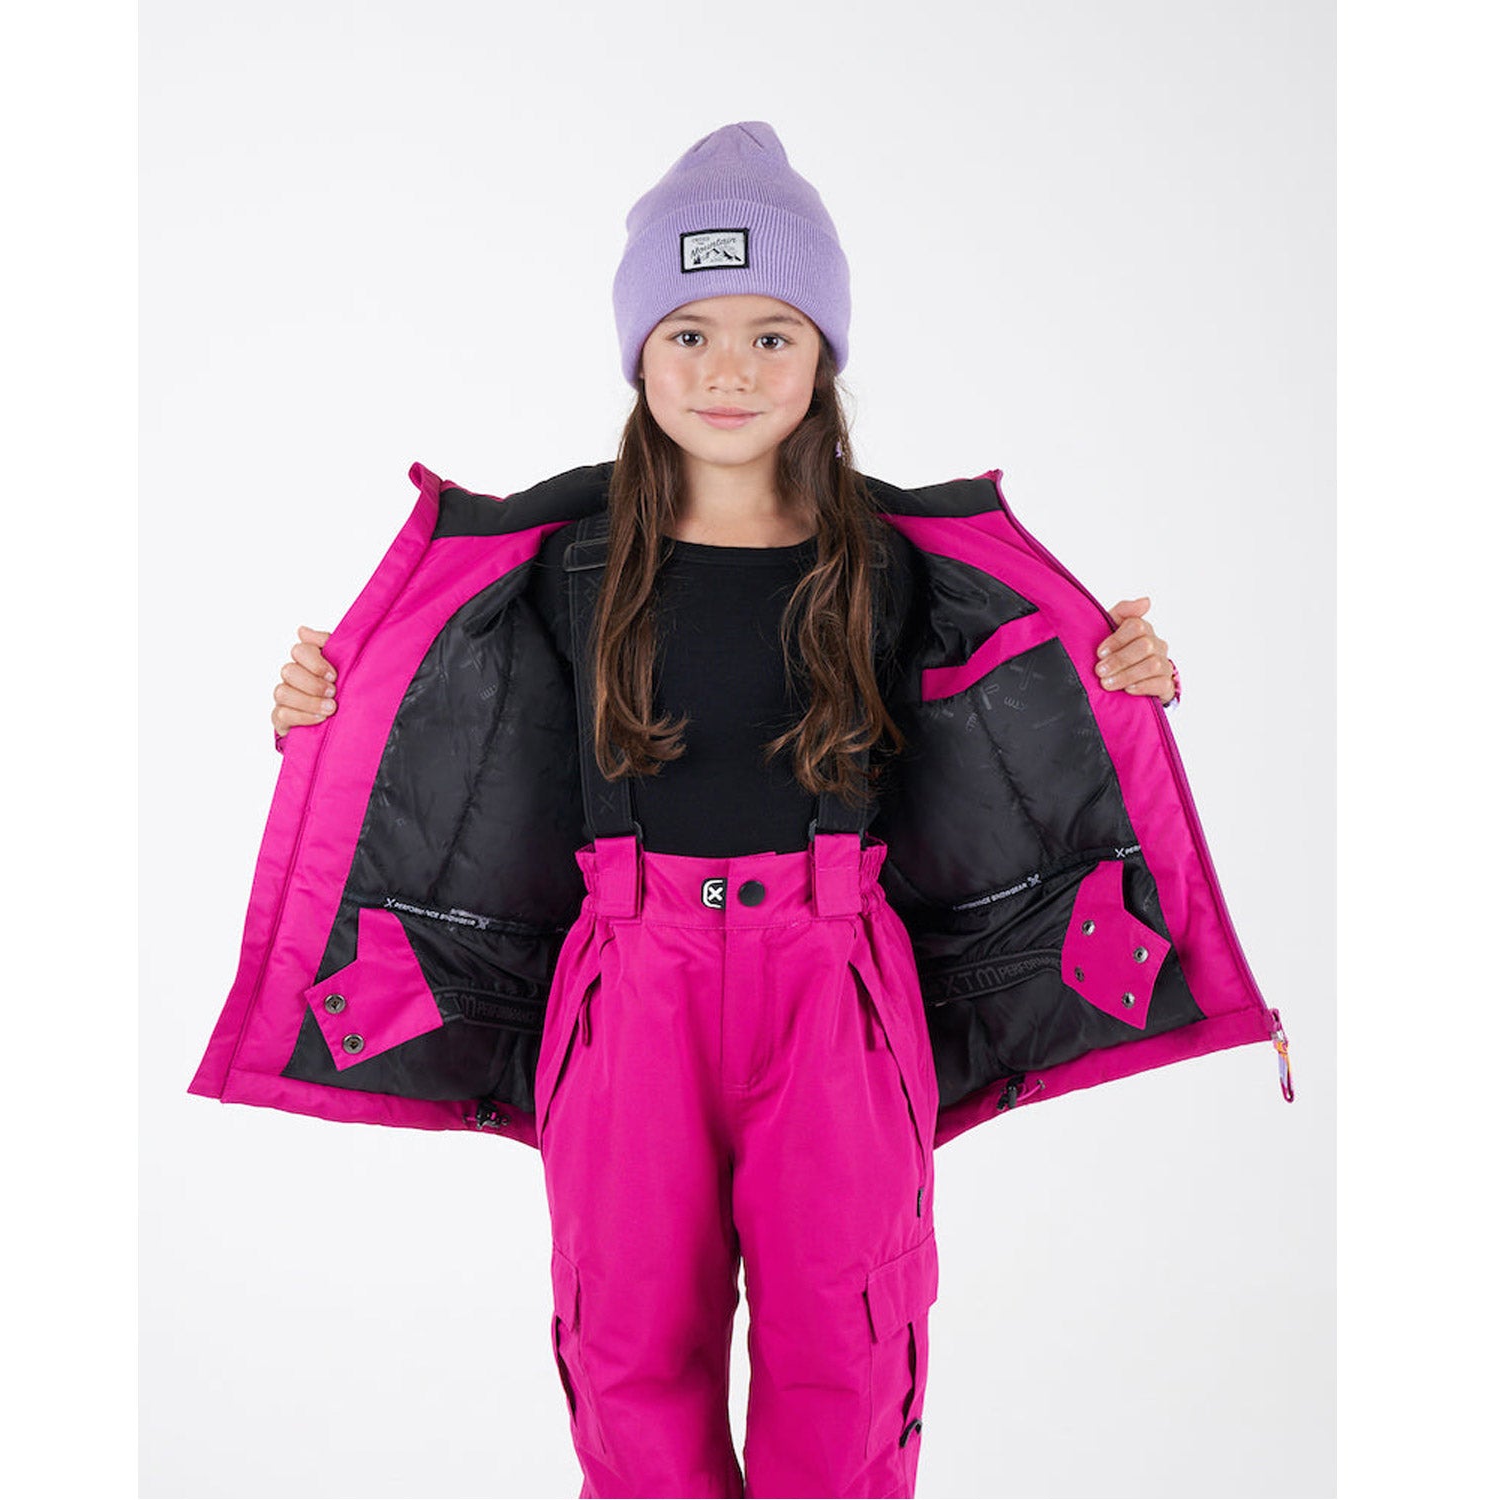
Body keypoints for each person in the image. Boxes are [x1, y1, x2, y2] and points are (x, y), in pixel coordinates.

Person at [213, 122, 1216, 1500]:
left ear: (824, 357)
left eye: (770, 335)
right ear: (638, 352)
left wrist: (1125, 674)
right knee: (628, 1345)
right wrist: (317, 711)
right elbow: (440, 727)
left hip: (836, 985)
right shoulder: (561, 554)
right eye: (688, 333)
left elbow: (1019, 727)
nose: (728, 370)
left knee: (849, 1340)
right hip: (632, 986)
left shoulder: (894, 558)